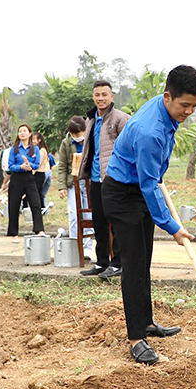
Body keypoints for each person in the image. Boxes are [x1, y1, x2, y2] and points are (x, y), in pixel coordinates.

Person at [101, 65, 196, 364]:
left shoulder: (165, 111)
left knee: (143, 259)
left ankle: (145, 322)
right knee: (132, 266)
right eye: (185, 105)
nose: (189, 112)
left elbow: (150, 180)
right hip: (122, 195)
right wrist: (173, 227)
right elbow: (148, 186)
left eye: (194, 106)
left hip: (139, 189)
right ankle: (136, 340)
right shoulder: (150, 131)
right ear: (168, 96)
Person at [79, 80, 130, 279]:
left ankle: (118, 263)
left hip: (114, 178)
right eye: (97, 95)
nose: (100, 98)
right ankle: (102, 262)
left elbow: (128, 147)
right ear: (93, 97)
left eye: (104, 95)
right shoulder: (91, 120)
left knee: (115, 221)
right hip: (95, 177)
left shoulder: (121, 118)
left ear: (112, 97)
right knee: (98, 221)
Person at [55, 117, 94, 253]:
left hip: (89, 182)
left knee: (89, 214)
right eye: (74, 134)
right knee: (73, 214)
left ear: (85, 130)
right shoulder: (66, 143)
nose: (76, 137)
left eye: (79, 134)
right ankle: (75, 247)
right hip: (73, 183)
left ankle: (88, 247)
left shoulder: (92, 140)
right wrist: (62, 186)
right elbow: (62, 167)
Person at [6, 124, 45, 237]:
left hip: (29, 177)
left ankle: (39, 229)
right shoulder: (15, 148)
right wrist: (21, 167)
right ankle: (13, 232)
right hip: (17, 178)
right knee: (14, 205)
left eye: (24, 131)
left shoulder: (35, 149)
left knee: (36, 203)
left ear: (29, 133)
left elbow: (37, 164)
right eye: (20, 131)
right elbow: (10, 165)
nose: (22, 133)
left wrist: (29, 165)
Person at [31, 132, 54, 212]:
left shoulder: (42, 150)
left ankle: (42, 209)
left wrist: (32, 172)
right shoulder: (38, 150)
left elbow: (38, 163)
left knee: (39, 192)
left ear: (40, 140)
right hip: (43, 172)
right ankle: (43, 209)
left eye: (34, 139)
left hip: (42, 173)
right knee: (40, 193)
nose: (33, 141)